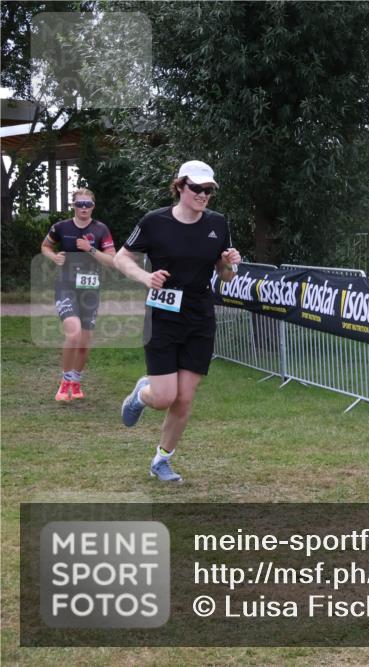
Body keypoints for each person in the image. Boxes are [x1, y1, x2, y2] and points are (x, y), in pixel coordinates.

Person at [114, 161, 241, 482]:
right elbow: (121, 257)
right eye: (197, 188)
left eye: (208, 190)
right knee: (164, 397)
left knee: (184, 397)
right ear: (180, 186)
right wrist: (146, 277)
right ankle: (142, 394)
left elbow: (224, 277)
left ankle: (161, 460)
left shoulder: (218, 224)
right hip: (163, 314)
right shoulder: (154, 222)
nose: (203, 195)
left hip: (200, 315)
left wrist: (229, 266)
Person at [40, 188, 117, 401]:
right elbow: (45, 246)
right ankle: (65, 383)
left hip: (90, 289)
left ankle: (76, 380)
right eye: (79, 204)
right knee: (73, 334)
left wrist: (89, 249)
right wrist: (54, 257)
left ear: (93, 206)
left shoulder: (101, 229)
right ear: (73, 205)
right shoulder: (61, 227)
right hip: (65, 285)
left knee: (84, 341)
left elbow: (113, 260)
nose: (83, 208)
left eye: (88, 204)